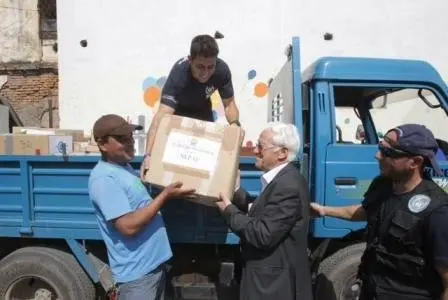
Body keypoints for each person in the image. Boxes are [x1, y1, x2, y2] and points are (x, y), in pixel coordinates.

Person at [311, 124, 448, 300]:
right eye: (380, 148)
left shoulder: (437, 211)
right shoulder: (383, 185)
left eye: (388, 153)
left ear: (415, 162)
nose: (378, 155)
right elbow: (366, 211)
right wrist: (323, 210)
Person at [88, 114, 195, 300]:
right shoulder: (104, 179)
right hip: (137, 275)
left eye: (130, 136)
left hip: (152, 267)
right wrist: (164, 196)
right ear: (102, 144)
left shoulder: (124, 168)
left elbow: (139, 205)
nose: (130, 142)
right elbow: (128, 227)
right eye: (122, 139)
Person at [216, 123, 313, 300]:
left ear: (282, 153)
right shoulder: (283, 180)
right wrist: (237, 191)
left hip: (273, 285)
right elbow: (263, 211)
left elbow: (263, 234)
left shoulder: (287, 185)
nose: (254, 151)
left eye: (261, 146)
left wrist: (229, 212)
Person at [141, 33, 241, 179]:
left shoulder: (221, 70)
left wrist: (235, 126)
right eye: (200, 67)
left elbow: (229, 104)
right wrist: (148, 155)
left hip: (202, 110)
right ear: (190, 60)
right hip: (178, 112)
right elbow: (161, 117)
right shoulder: (179, 75)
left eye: (210, 67)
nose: (205, 73)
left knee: (204, 157)